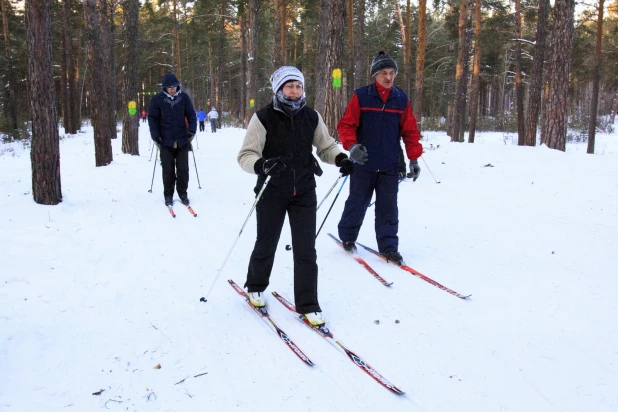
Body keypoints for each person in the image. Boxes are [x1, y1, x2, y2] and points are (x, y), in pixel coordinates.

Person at [237, 66, 353, 326]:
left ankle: (308, 303)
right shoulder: (263, 117)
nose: (294, 91)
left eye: (298, 86)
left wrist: (340, 158)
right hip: (272, 190)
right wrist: (262, 165)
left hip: (304, 190)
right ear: (278, 89)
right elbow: (246, 155)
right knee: (267, 242)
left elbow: (326, 146)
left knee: (306, 249)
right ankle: (255, 284)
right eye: (289, 86)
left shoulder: (311, 116)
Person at [336, 51, 422, 264]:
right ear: (375, 75)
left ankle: (389, 247)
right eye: (384, 72)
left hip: (389, 165)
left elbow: (410, 132)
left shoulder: (401, 100)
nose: (388, 77)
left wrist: (413, 159)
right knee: (357, 203)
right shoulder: (361, 96)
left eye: (392, 73)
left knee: (388, 208)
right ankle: (347, 237)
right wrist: (352, 146)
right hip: (363, 163)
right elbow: (346, 125)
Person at [148, 73, 197, 207]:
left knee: (183, 169)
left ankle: (182, 193)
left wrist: (191, 130)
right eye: (169, 87)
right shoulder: (158, 99)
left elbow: (191, 115)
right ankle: (168, 194)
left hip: (182, 140)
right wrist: (155, 135)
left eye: (174, 87)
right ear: (164, 88)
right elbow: (152, 118)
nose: (172, 89)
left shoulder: (183, 98)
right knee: (168, 170)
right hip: (165, 141)